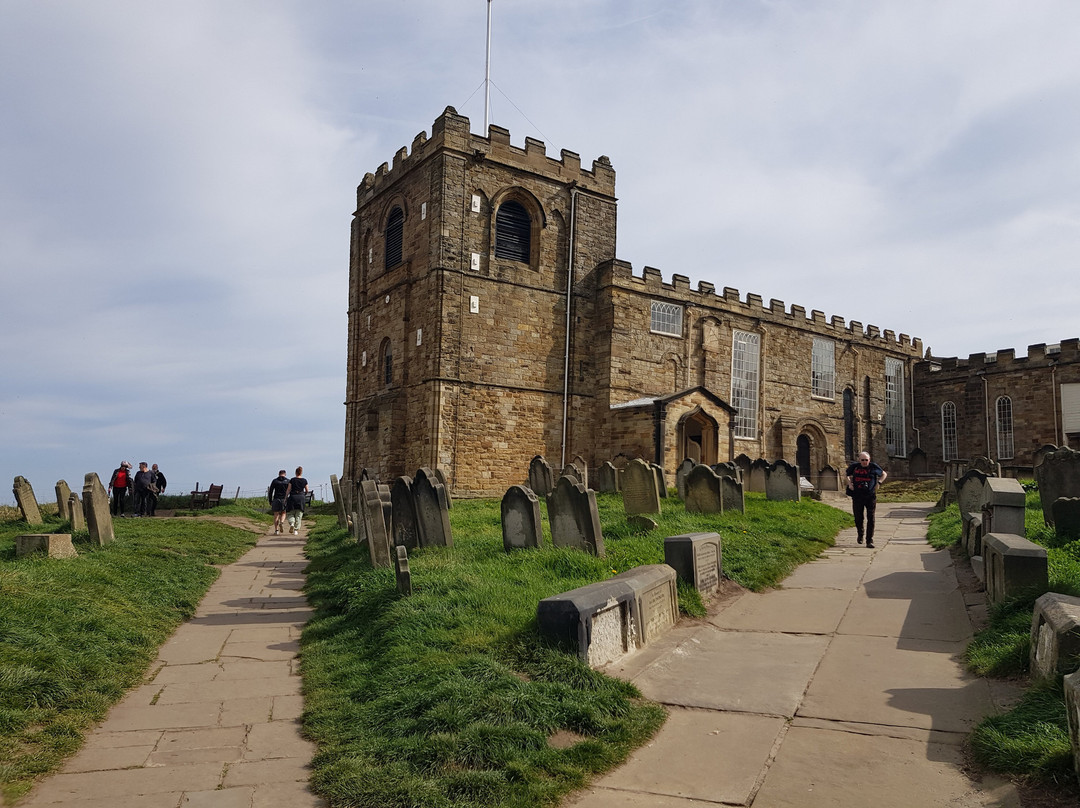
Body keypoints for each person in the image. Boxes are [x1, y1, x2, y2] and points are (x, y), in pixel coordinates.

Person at [845, 451, 887, 548]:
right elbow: (846, 474)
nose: (864, 462)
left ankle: (869, 540)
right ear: (859, 460)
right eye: (862, 460)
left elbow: (884, 474)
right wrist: (850, 484)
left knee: (871, 518)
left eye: (866, 460)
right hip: (857, 496)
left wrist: (879, 483)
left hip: (870, 496)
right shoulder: (855, 467)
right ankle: (860, 534)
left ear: (869, 460)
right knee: (858, 517)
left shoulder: (873, 467)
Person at [285, 466, 310, 535]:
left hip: (293, 498)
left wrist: (286, 497)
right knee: (299, 515)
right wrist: (303, 495)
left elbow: (288, 489)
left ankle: (292, 523)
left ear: (295, 472)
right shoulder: (304, 480)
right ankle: (296, 530)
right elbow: (307, 490)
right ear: (301, 472)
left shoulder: (292, 480)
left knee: (290, 513)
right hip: (301, 498)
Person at [268, 469, 290, 534]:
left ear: (279, 474)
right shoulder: (288, 481)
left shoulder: (275, 481)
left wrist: (270, 500)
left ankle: (276, 530)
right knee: (283, 513)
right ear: (285, 474)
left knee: (276, 515)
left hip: (276, 499)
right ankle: (282, 522)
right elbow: (290, 490)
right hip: (284, 499)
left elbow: (271, 491)